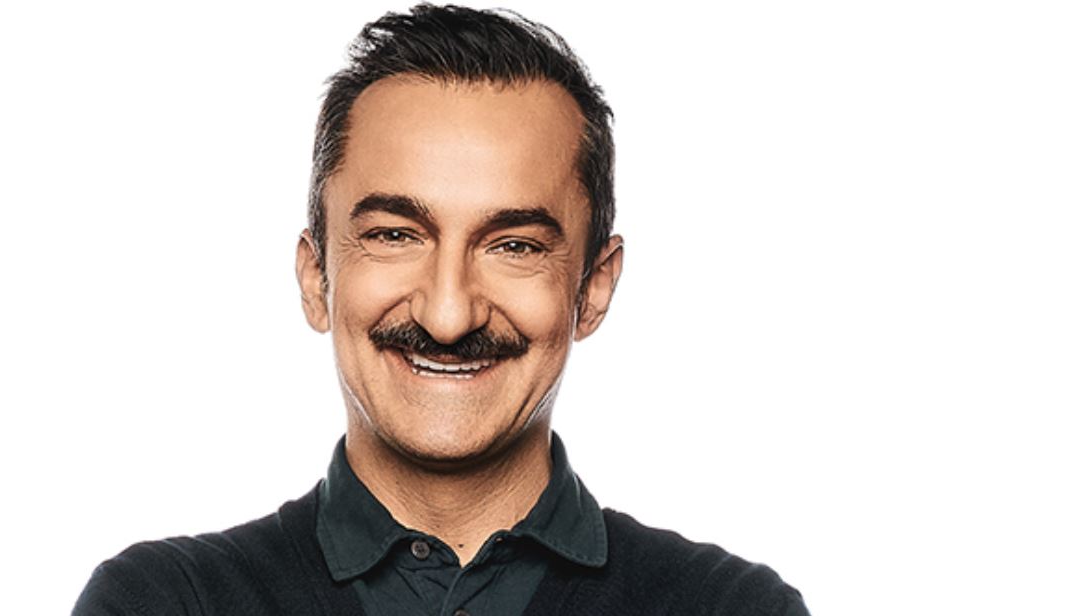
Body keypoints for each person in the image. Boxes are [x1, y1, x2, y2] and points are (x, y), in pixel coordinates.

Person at [73, 4, 808, 615]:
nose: (448, 315)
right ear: (316, 277)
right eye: (395, 236)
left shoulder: (728, 608)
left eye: (514, 246)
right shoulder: (168, 602)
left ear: (593, 289)